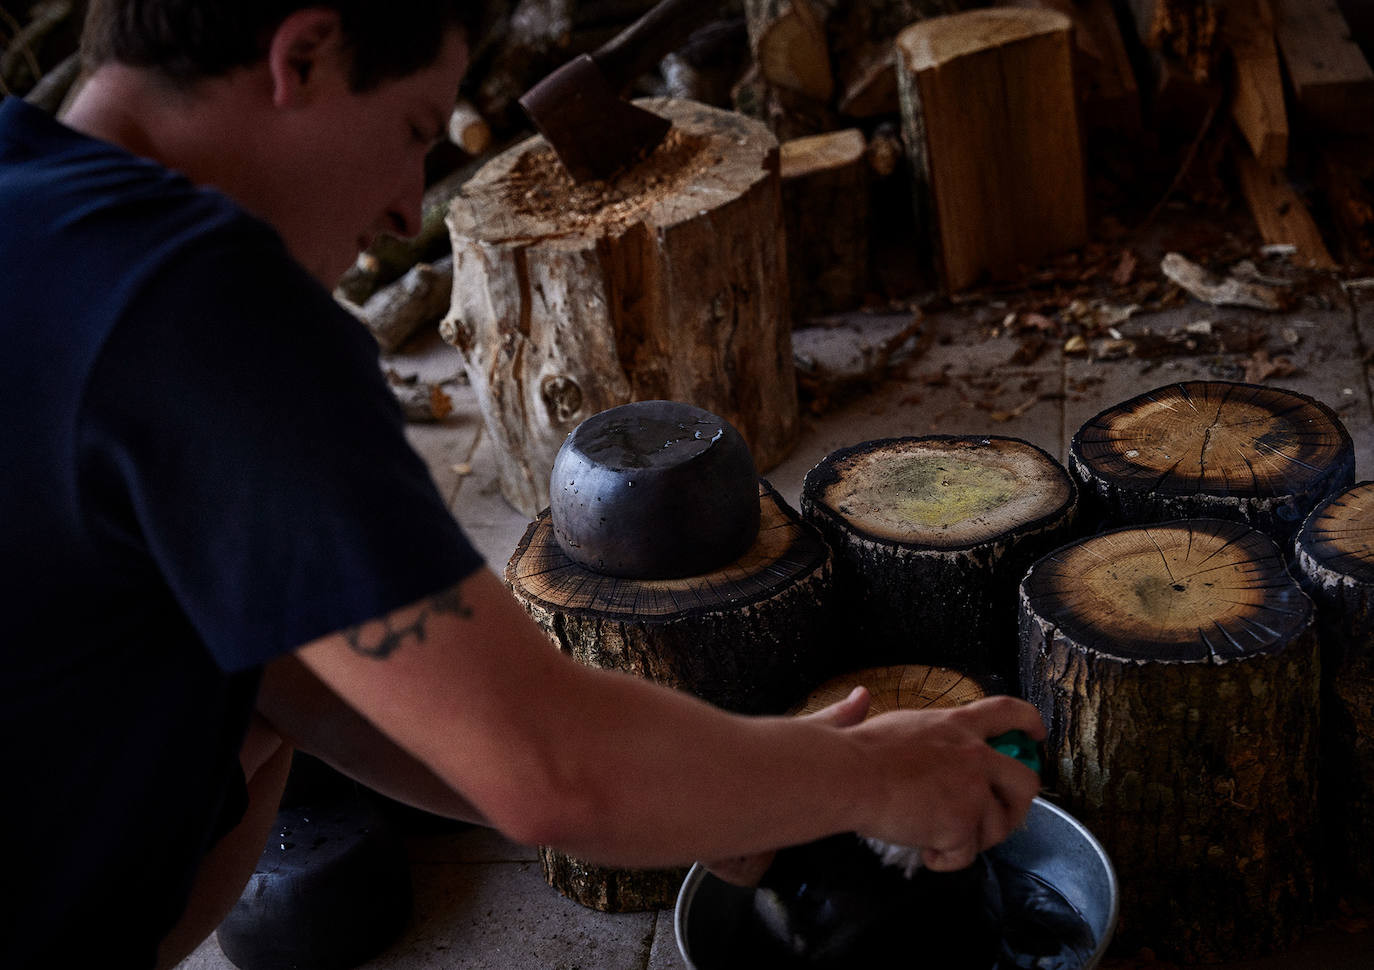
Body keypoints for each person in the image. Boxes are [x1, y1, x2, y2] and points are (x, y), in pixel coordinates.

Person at [0, 2, 1046, 967]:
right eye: (415, 128)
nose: (406, 207)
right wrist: (885, 778)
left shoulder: (27, 194)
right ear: (304, 55)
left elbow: (309, 680)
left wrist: (747, 798)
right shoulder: (204, 302)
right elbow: (550, 769)